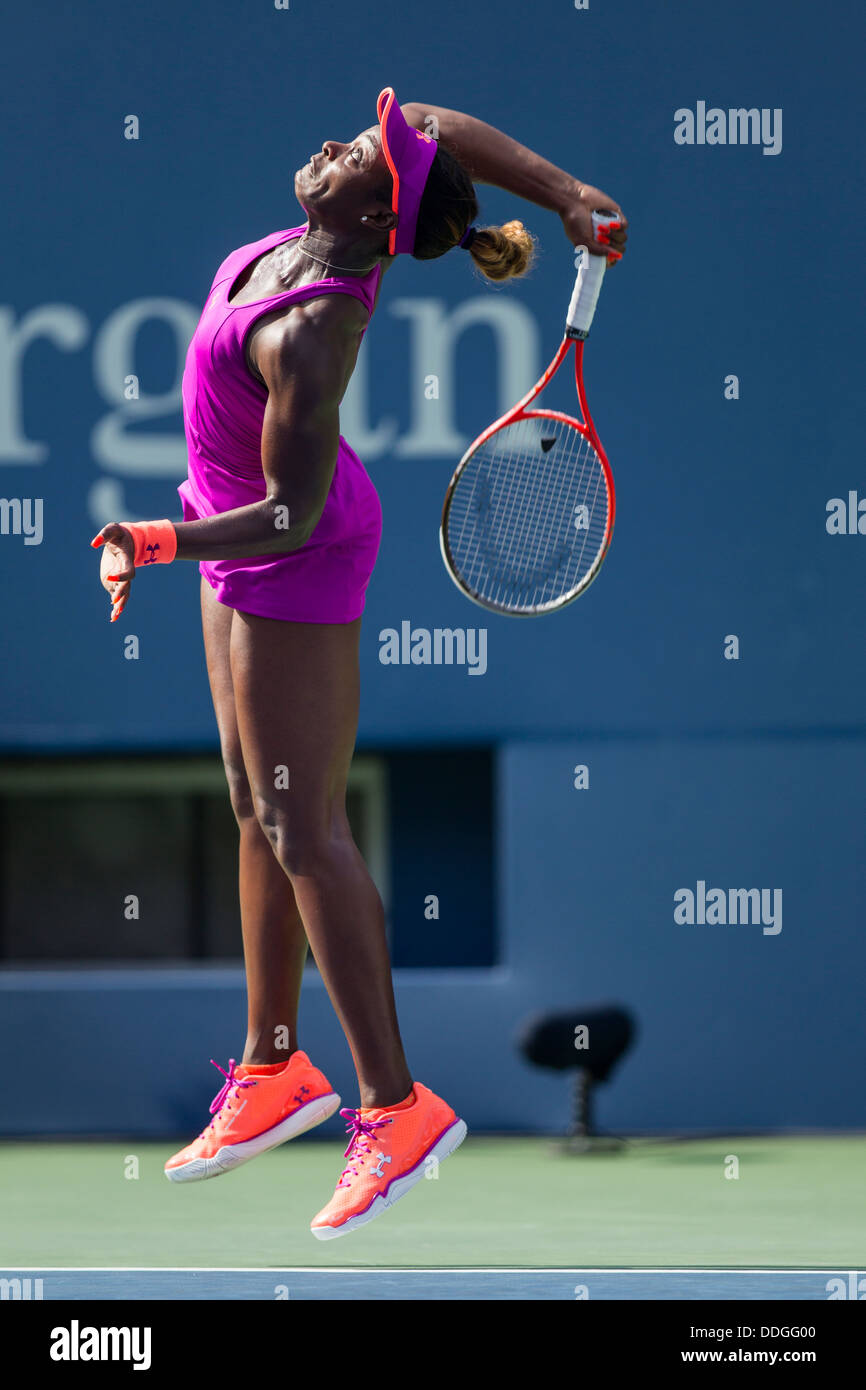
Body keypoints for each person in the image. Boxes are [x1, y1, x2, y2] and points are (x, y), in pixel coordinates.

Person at [91, 87, 628, 1239]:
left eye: (362, 154)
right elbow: (433, 124)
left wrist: (159, 540)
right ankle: (273, 1066)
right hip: (227, 527)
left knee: (305, 826)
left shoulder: (317, 323)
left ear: (379, 211)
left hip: (289, 549)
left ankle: (395, 1105)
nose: (339, 141)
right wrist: (568, 194)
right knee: (250, 806)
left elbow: (288, 514)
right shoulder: (300, 240)